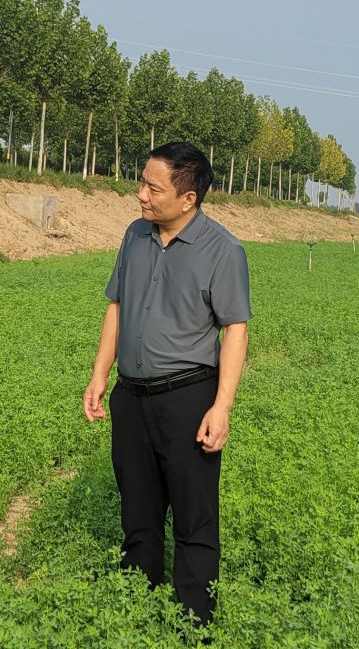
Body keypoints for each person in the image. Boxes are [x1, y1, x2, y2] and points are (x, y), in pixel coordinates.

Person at [83, 140, 251, 624]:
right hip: (130, 397)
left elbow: (234, 330)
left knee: (194, 513)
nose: (141, 195)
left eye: (152, 187)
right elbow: (116, 305)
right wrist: (100, 374)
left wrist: (222, 407)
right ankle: (138, 601)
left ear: (188, 198)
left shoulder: (223, 251)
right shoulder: (134, 236)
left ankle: (193, 623)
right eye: (142, 182)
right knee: (138, 504)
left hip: (188, 396)